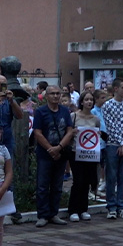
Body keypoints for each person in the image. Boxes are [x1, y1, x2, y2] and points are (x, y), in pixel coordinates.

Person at [33, 85, 73, 227]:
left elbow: (69, 131)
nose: (56, 96)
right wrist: (51, 149)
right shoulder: (40, 111)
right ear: (46, 96)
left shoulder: (65, 111)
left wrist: (59, 147)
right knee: (43, 185)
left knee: (57, 185)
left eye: (58, 93)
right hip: (45, 154)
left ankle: (53, 213)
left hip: (61, 152)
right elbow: (37, 133)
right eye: (52, 94)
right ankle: (43, 215)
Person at [101, 78, 123, 219]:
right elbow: (110, 126)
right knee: (111, 176)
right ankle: (111, 207)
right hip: (113, 144)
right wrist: (121, 143)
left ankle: (122, 206)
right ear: (115, 89)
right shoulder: (107, 105)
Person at [67, 92, 100, 222]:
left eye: (91, 100)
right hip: (75, 152)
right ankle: (73, 210)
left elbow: (96, 134)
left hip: (90, 154)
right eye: (86, 99)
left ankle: (83, 209)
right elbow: (68, 133)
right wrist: (73, 132)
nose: (89, 102)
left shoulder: (95, 119)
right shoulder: (73, 116)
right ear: (81, 102)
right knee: (78, 181)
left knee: (87, 181)